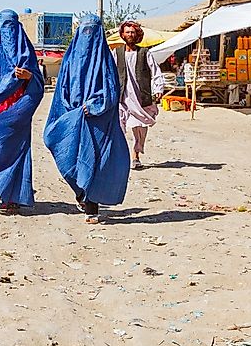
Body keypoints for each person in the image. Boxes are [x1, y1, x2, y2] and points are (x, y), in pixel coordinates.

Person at [44, 14, 130, 224]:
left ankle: (92, 207)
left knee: (94, 161)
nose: (88, 37)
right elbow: (60, 91)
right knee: (66, 157)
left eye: (92, 31)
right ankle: (81, 192)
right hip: (72, 118)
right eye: (84, 31)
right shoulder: (70, 59)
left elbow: (111, 90)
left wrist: (93, 106)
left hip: (97, 120)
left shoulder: (105, 61)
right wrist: (71, 112)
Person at [0, 9, 44, 214]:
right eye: (4, 26)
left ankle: (11, 197)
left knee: (16, 154)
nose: (8, 31)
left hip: (18, 111)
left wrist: (28, 77)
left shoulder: (26, 53)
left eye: (12, 26)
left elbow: (38, 82)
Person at [112, 21, 165, 169]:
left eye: (133, 32)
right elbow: (108, 72)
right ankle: (120, 157)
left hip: (141, 97)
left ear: (137, 35)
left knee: (139, 127)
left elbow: (156, 72)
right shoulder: (116, 53)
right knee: (119, 126)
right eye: (127, 32)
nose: (130, 35)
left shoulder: (145, 53)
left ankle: (136, 155)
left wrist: (158, 89)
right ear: (122, 34)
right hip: (121, 97)